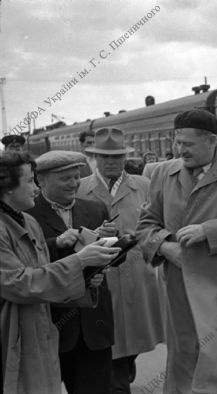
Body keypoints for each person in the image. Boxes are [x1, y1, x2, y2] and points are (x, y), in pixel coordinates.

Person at [136, 109, 217, 393]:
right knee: (184, 361)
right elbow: (146, 224)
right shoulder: (163, 173)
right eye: (177, 142)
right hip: (180, 290)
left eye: (187, 143)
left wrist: (208, 231)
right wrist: (164, 246)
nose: (179, 150)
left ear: (212, 141)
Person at [1, 151, 120, 394]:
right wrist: (79, 261)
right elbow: (17, 283)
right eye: (29, 181)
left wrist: (87, 283)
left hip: (39, 333)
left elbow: (43, 274)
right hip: (13, 337)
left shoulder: (27, 222)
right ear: (7, 187)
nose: (35, 189)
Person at [79, 128, 165, 393]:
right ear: (94, 157)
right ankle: (118, 376)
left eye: (116, 156)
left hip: (137, 273)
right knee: (109, 341)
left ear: (125, 157)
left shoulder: (144, 186)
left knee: (135, 336)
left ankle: (127, 363)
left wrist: (135, 238)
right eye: (104, 157)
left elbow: (159, 225)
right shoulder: (81, 189)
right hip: (101, 277)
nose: (111, 162)